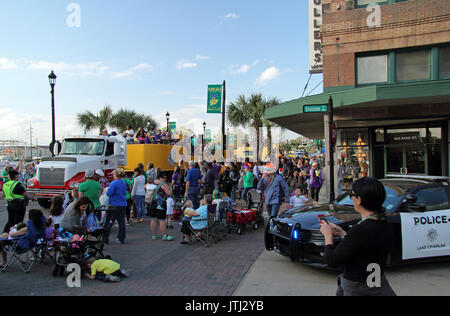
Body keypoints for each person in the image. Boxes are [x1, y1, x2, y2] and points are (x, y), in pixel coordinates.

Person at [320, 178, 396, 296]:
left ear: (359, 200)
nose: (352, 198)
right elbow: (365, 248)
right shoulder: (384, 224)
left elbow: (333, 260)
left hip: (358, 287)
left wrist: (328, 236)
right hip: (377, 283)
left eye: (352, 195)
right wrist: (343, 233)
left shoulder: (360, 230)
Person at [103, 169, 128, 244]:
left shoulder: (114, 183)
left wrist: (106, 191)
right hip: (122, 204)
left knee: (108, 222)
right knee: (121, 222)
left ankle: (105, 238)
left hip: (114, 204)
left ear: (115, 175)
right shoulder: (123, 183)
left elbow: (109, 193)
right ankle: (121, 238)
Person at [2, 169, 29, 234]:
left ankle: (4, 235)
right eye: (18, 175)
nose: (19, 176)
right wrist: (26, 200)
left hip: (9, 204)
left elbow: (4, 194)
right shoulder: (17, 184)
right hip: (18, 204)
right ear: (16, 176)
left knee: (10, 221)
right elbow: (25, 194)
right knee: (18, 222)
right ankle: (15, 236)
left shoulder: (6, 184)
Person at [149, 172, 174, 241]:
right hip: (160, 204)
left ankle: (154, 235)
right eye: (164, 178)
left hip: (152, 203)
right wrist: (170, 187)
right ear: (160, 178)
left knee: (153, 219)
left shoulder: (153, 182)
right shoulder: (164, 185)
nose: (165, 179)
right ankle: (164, 235)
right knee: (162, 220)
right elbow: (169, 193)